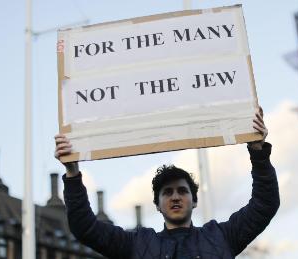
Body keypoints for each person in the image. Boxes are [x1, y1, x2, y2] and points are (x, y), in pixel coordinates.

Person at [54, 107, 280, 259]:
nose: (175, 197)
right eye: (167, 192)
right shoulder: (138, 244)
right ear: (157, 204)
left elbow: (265, 203)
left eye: (182, 191)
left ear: (194, 201)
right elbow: (85, 228)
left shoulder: (221, 236)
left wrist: (258, 151)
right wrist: (72, 174)